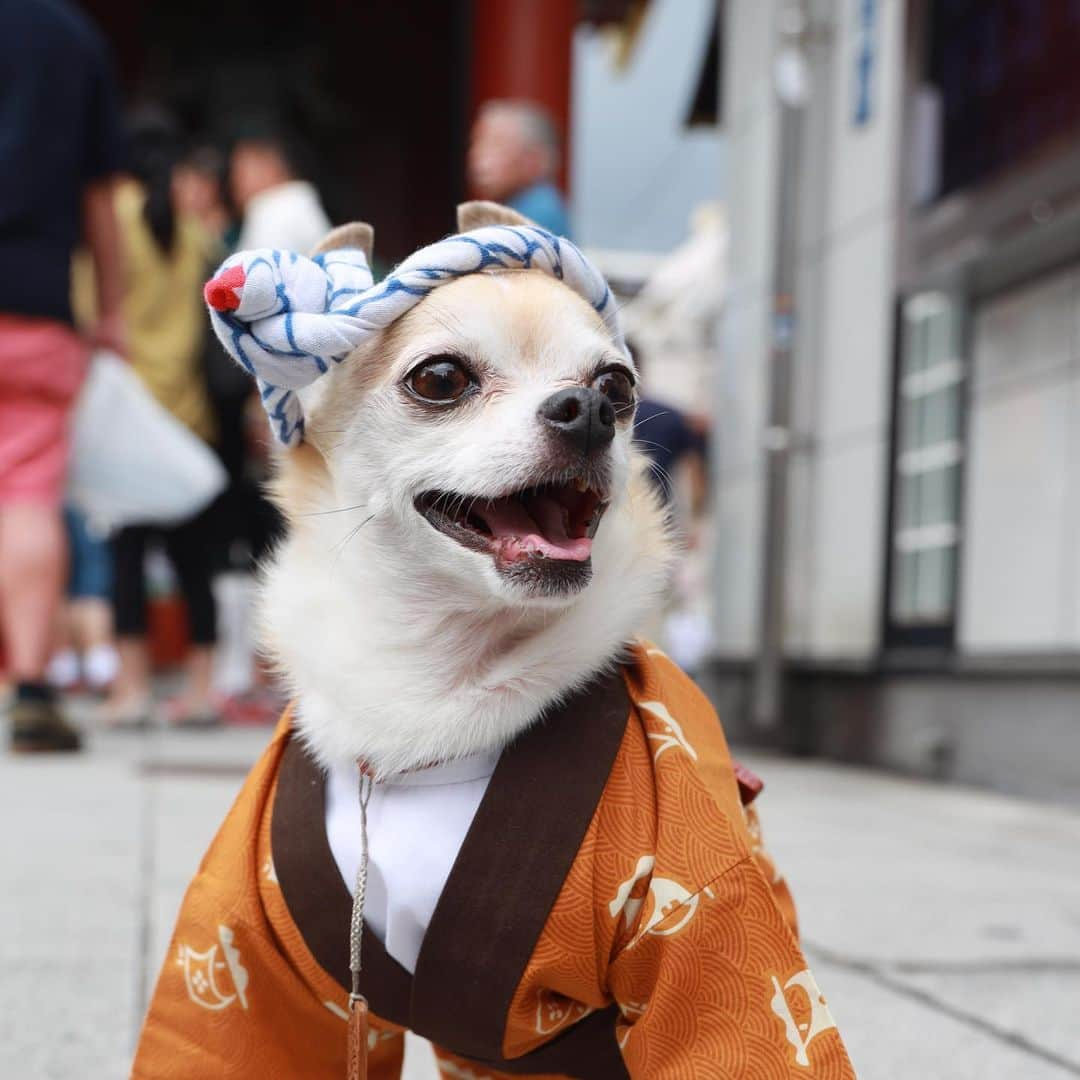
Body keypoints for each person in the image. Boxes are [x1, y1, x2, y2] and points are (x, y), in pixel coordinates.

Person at [0, 0, 125, 752]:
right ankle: (35, 685)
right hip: (37, 304)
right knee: (25, 492)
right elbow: (99, 197)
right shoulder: (70, 37)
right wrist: (110, 311)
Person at [85, 111, 221, 728]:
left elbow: (88, 309)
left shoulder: (112, 216)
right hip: (189, 415)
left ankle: (133, 688)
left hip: (130, 417)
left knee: (127, 559)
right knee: (197, 562)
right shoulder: (193, 230)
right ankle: (201, 691)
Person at [468, 99, 571, 237]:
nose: (477, 155)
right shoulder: (515, 207)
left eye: (496, 145)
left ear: (533, 160)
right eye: (477, 142)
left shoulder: (537, 214)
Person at [230, 136, 331, 254]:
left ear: (270, 168)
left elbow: (264, 270)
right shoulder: (298, 205)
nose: (235, 182)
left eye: (241, 172)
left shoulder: (273, 209)